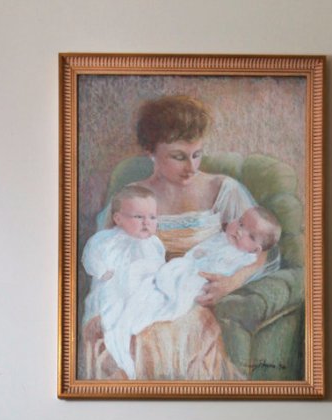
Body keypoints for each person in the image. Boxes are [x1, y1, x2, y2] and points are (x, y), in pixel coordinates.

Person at [84, 96, 280, 380]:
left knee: (183, 326)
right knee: (124, 328)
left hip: (190, 294)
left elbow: (260, 247)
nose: (191, 166)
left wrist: (232, 281)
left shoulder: (223, 189)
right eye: (178, 156)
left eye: (197, 154)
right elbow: (108, 252)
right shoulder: (131, 198)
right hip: (137, 287)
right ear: (151, 152)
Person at [82, 185, 165, 378]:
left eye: (152, 217)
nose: (147, 222)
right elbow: (90, 257)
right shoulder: (105, 240)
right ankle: (118, 358)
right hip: (112, 290)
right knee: (112, 312)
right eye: (138, 217)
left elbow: (158, 270)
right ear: (118, 219)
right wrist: (102, 272)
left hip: (141, 293)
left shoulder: (155, 244)